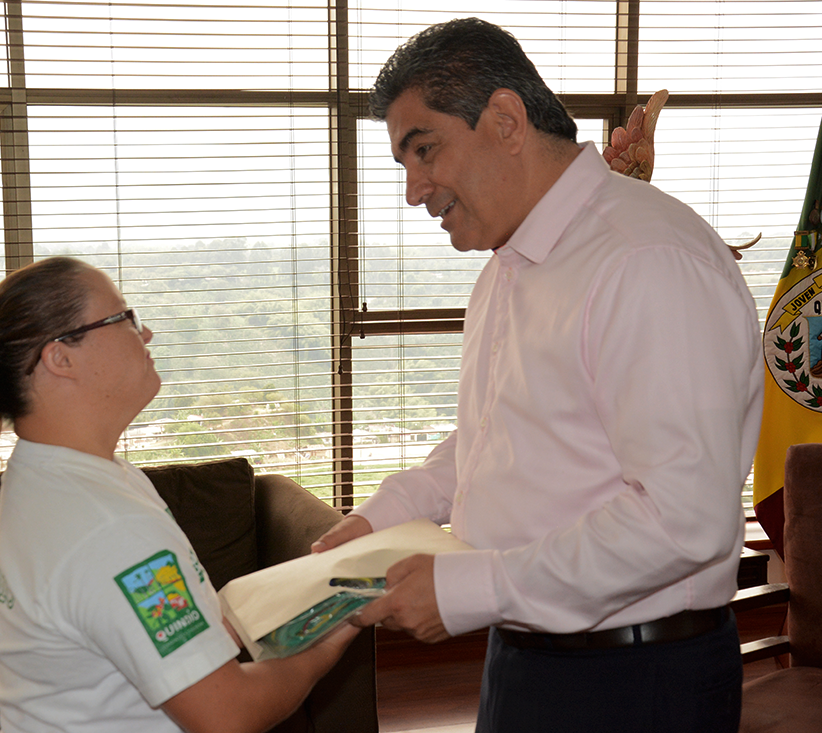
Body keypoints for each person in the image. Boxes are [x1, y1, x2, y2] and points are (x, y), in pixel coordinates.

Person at [312, 17, 764, 733]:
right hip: (523, 655)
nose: (413, 189)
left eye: (423, 150)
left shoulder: (645, 258)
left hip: (633, 681)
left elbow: (684, 520)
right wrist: (378, 518)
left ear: (505, 119)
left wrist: (473, 587)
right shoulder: (509, 266)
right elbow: (494, 442)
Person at [0, 256, 359, 733]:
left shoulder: (51, 472)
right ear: (61, 357)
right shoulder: (108, 527)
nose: (147, 333)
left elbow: (140, 624)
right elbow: (227, 714)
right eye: (123, 318)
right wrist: (335, 633)